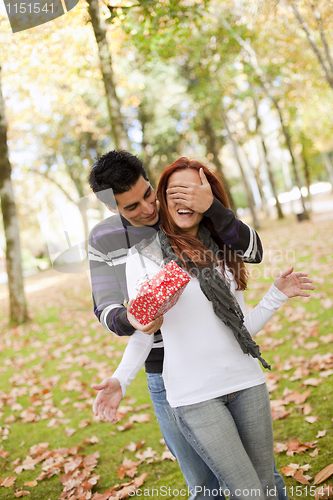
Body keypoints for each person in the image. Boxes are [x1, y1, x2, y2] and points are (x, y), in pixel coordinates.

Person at [91, 158, 314, 499]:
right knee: (209, 487)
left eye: (150, 195)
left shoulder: (214, 234)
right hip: (175, 381)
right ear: (112, 206)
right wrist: (126, 348)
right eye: (132, 206)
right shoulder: (125, 248)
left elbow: (239, 316)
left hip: (242, 377)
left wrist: (274, 295)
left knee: (265, 482)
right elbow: (116, 313)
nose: (149, 208)